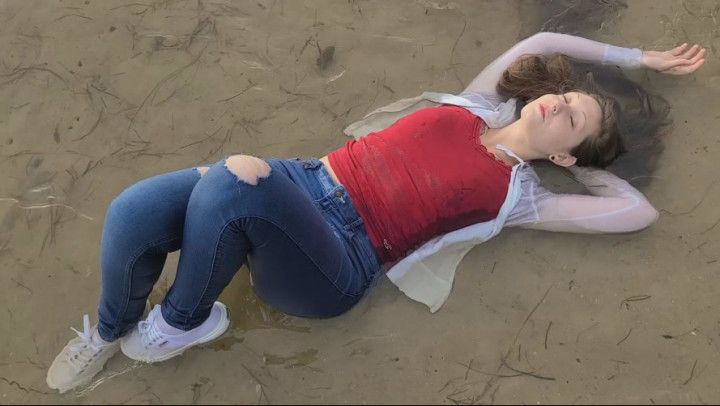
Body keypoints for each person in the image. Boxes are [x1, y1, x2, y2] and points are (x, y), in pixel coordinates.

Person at [46, 32, 705, 393]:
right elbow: (538, 39)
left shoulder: (521, 197)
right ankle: (110, 332)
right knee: (133, 209)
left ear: (566, 155)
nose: (557, 102)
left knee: (230, 184)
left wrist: (583, 156)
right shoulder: (474, 103)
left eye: (571, 117)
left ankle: (178, 325)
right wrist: (634, 58)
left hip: (336, 264)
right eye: (562, 95)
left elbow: (635, 210)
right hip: (302, 183)